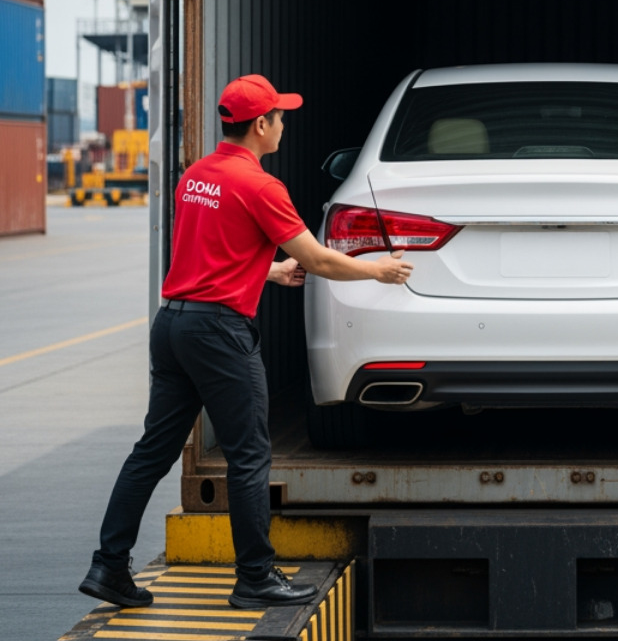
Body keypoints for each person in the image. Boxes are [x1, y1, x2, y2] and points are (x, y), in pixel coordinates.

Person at [80, 74, 414, 611]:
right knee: (250, 454)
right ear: (261, 124)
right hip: (218, 333)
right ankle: (255, 576)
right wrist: (377, 270)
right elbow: (319, 260)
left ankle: (108, 566)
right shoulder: (261, 185)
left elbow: (206, 256)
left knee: (153, 451)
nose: (283, 124)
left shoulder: (197, 176)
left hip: (173, 326)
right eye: (280, 116)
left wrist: (266, 272)